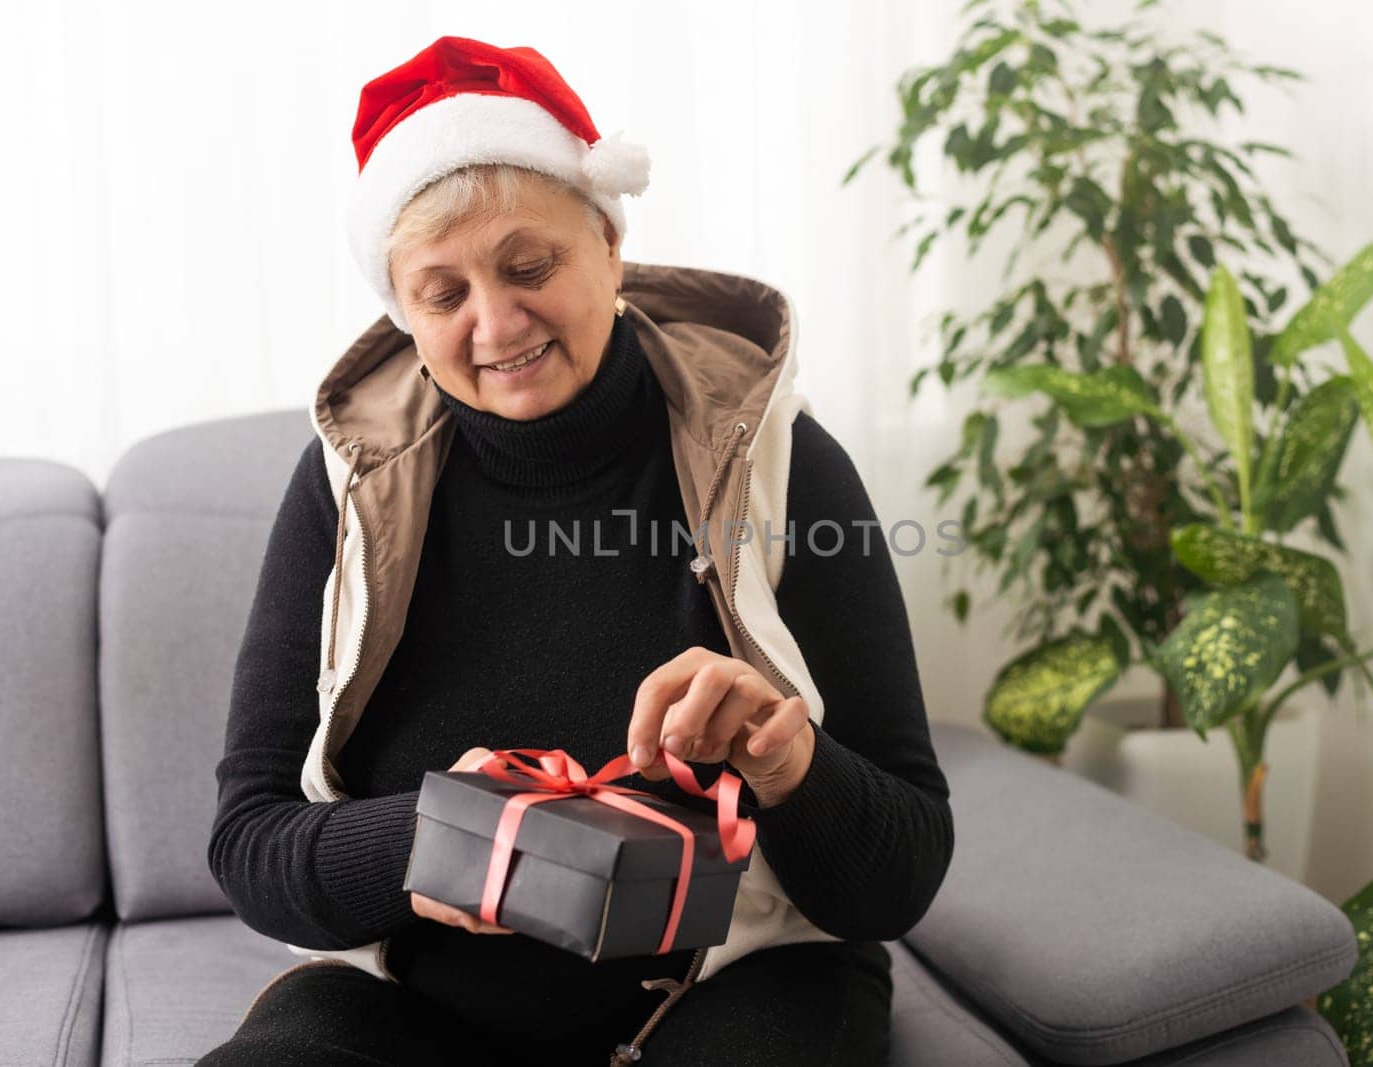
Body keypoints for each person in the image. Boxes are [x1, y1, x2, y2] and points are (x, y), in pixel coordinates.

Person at [200, 35, 954, 1067]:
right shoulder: (345, 487)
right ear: (402, 314)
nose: (496, 321)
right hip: (423, 1013)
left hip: (740, 984)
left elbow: (900, 873)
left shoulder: (780, 458)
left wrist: (788, 762)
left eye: (528, 265)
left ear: (607, 238)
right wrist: (429, 833)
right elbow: (249, 843)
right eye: (443, 291)